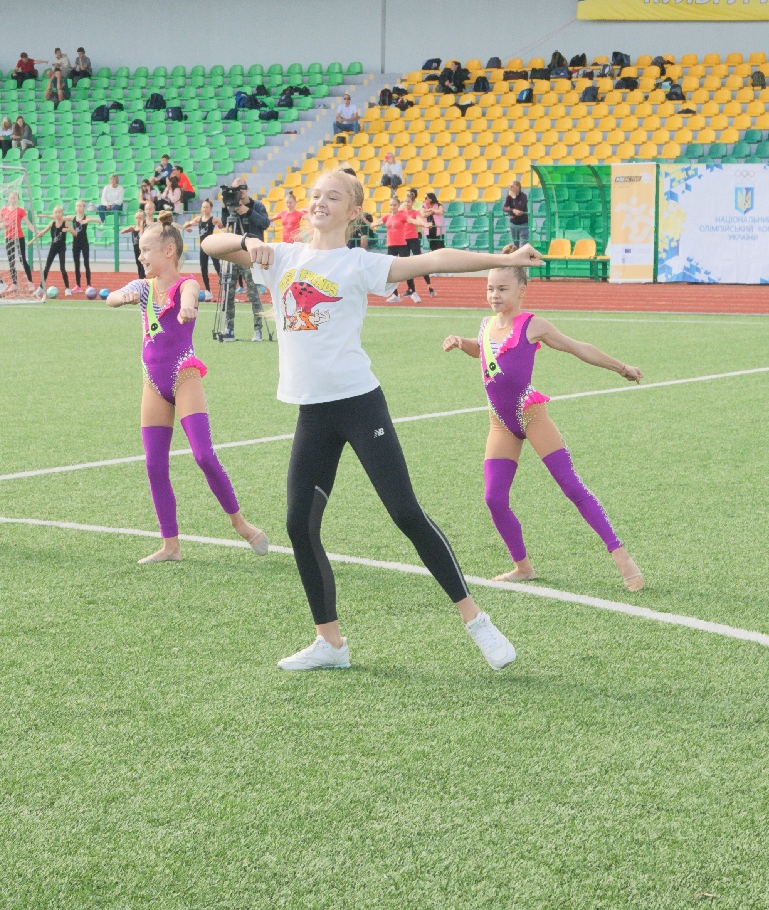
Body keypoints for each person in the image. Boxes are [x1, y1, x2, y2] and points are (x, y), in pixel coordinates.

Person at [201, 169, 541, 672]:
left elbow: (435, 259)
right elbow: (209, 243)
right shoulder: (281, 256)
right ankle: (330, 643)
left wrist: (504, 260)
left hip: (360, 405)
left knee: (405, 513)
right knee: (299, 525)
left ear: (353, 211)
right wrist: (251, 243)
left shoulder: (359, 263)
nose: (320, 202)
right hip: (313, 411)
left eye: (333, 197)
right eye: (316, 195)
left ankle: (476, 621)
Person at [442, 250, 644, 590]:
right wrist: (463, 343)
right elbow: (484, 349)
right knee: (494, 498)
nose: (494, 295)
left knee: (571, 486)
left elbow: (577, 347)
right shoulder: (486, 325)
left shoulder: (533, 325)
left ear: (522, 290)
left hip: (531, 415)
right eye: (490, 288)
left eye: (502, 289)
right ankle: (522, 567)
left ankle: (621, 556)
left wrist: (621, 367)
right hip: (500, 423)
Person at [106, 220, 269, 564]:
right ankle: (171, 545)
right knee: (154, 464)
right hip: (153, 383)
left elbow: (191, 295)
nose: (141, 256)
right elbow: (114, 298)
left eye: (146, 249)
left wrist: (188, 307)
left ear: (169, 251)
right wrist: (122, 297)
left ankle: (240, 524)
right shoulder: (143, 287)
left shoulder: (187, 284)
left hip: (184, 375)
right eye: (140, 250)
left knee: (203, 455)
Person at [221, 177, 270, 342]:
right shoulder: (231, 207)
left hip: (250, 255)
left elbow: (265, 223)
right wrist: (225, 209)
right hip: (233, 253)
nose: (239, 191)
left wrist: (248, 211)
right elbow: (225, 224)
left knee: (253, 293)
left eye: (241, 187)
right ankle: (229, 328)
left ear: (247, 188)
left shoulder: (257, 205)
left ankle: (258, 329)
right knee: (229, 291)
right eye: (236, 189)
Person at [387, 188, 434, 300]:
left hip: (413, 239)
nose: (406, 203)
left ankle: (429, 284)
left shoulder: (415, 212)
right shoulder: (400, 212)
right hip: (402, 241)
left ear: (413, 202)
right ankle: (410, 289)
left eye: (408, 202)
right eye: (405, 202)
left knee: (420, 261)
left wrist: (424, 224)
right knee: (405, 266)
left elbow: (418, 220)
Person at [183, 199, 224, 301]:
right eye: (203, 207)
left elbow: (222, 225)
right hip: (203, 247)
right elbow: (186, 225)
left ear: (211, 208)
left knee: (217, 266)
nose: (205, 209)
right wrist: (187, 227)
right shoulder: (199, 219)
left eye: (207, 207)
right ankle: (208, 291)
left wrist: (220, 225)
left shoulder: (213, 219)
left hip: (211, 246)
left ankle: (224, 289)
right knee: (203, 269)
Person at [0, 191, 37, 295]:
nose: (13, 199)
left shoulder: (20, 210)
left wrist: (36, 231)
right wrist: (3, 225)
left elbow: (28, 224)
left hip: (19, 237)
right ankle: (14, 283)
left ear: (18, 199)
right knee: (11, 260)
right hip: (8, 237)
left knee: (22, 259)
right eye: (11, 197)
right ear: (8, 199)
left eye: (15, 197)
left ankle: (30, 282)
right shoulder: (3, 210)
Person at [36, 206, 72, 292]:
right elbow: (43, 232)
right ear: (54, 214)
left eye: (59, 212)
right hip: (53, 248)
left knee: (62, 268)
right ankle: (41, 287)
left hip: (61, 248)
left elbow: (73, 230)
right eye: (56, 212)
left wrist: (68, 230)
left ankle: (67, 288)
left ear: (62, 213)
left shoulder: (65, 223)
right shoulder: (52, 224)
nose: (57, 214)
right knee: (46, 267)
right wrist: (40, 234)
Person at [67, 201, 100, 293]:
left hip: (84, 243)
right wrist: (46, 216)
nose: (79, 207)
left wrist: (88, 220)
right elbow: (59, 217)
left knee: (86, 263)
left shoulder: (87, 217)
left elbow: (99, 220)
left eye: (80, 206)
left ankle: (88, 284)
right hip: (75, 243)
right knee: (76, 264)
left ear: (84, 207)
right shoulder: (72, 218)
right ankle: (78, 285)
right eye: (77, 206)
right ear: (75, 208)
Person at [121, 207, 149, 280]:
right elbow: (122, 231)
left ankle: (142, 278)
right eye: (137, 218)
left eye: (140, 218)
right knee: (138, 263)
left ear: (144, 219)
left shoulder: (146, 228)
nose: (138, 220)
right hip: (136, 248)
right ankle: (140, 278)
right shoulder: (134, 228)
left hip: (143, 249)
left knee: (143, 264)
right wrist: (128, 229)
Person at [503, 180, 530, 247]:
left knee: (523, 245)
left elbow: (519, 208)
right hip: (513, 223)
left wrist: (514, 197)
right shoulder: (509, 196)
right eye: (509, 186)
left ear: (518, 187)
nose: (510, 188)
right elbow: (504, 208)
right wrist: (513, 210)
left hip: (523, 224)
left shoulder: (523, 196)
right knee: (515, 245)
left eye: (512, 186)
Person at [422, 192, 446, 259]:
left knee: (440, 246)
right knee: (432, 246)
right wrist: (433, 211)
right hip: (429, 229)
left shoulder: (438, 205)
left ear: (431, 199)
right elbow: (423, 215)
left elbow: (440, 212)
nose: (424, 199)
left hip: (438, 229)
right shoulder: (424, 206)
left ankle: (442, 260)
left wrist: (431, 209)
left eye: (426, 198)